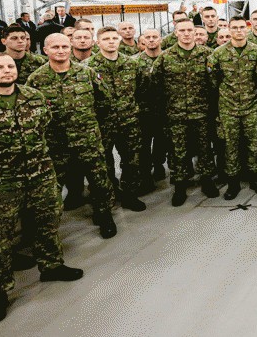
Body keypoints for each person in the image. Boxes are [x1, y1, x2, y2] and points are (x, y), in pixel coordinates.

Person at [0, 53, 85, 324]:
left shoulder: (34, 96)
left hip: (40, 175)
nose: (7, 71)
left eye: (10, 66)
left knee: (47, 223)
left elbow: (47, 126)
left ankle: (51, 265)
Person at [26, 34, 117, 238]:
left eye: (64, 46)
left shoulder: (88, 73)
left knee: (99, 181)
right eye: (55, 46)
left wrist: (94, 129)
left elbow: (104, 104)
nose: (61, 50)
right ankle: (48, 229)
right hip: (55, 144)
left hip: (88, 139)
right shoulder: (36, 79)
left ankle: (104, 215)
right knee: (52, 187)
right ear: (45, 50)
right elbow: (31, 112)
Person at [150, 19, 219, 206]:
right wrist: (162, 115)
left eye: (190, 30)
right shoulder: (165, 58)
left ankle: (207, 180)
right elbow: (155, 88)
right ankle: (180, 185)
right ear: (176, 33)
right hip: (175, 114)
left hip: (202, 112)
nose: (187, 34)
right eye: (183, 30)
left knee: (205, 149)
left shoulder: (208, 55)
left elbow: (215, 84)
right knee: (178, 151)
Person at [86, 27, 147, 212]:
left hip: (129, 122)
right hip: (102, 124)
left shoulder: (132, 64)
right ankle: (107, 200)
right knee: (104, 164)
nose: (111, 41)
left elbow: (142, 89)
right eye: (106, 39)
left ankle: (129, 195)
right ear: (98, 42)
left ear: (119, 41)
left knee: (131, 161)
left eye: (114, 38)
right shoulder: (88, 68)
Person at [209, 16, 257, 200]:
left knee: (253, 145)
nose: (238, 31)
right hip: (228, 108)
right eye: (234, 28)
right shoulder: (218, 54)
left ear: (247, 29)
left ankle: (255, 179)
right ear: (229, 29)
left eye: (242, 27)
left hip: (251, 106)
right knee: (230, 146)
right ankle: (233, 183)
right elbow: (213, 82)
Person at [131, 28, 167, 192]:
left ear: (161, 39)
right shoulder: (134, 62)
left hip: (165, 109)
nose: (151, 40)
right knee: (143, 146)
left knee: (161, 142)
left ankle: (159, 164)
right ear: (143, 40)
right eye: (148, 37)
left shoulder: (168, 58)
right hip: (143, 112)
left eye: (155, 37)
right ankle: (145, 175)